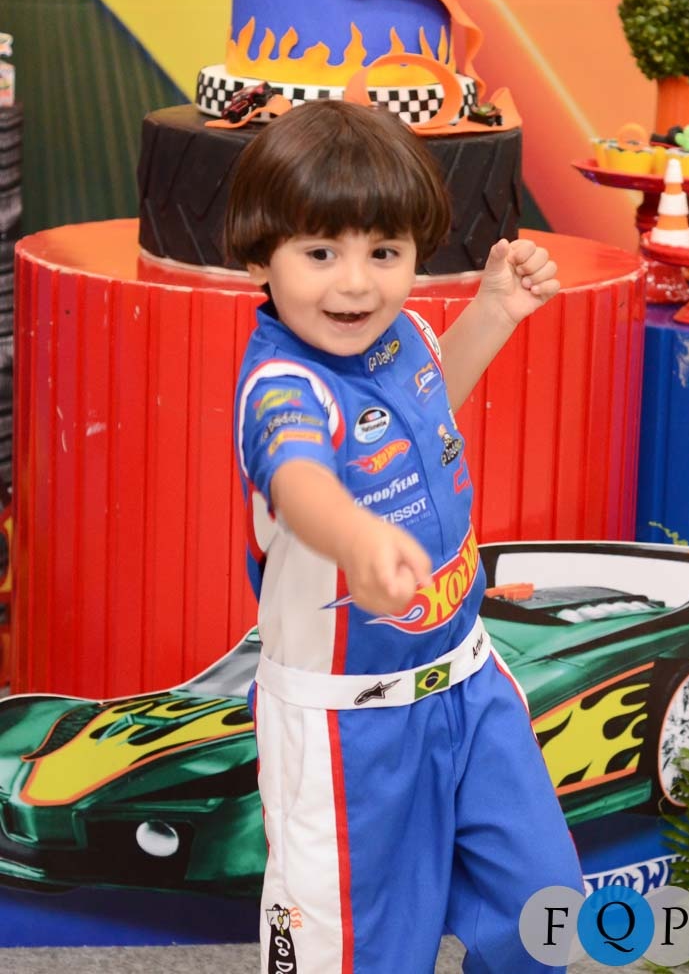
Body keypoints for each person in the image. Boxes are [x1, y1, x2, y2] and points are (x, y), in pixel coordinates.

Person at [225, 99, 583, 974]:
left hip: (468, 682)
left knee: (544, 910)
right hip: (351, 731)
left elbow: (425, 405)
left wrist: (494, 311)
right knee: (364, 954)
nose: (356, 284)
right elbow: (300, 480)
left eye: (384, 252)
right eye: (320, 253)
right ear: (260, 256)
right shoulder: (282, 386)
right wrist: (356, 539)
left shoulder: (404, 334)